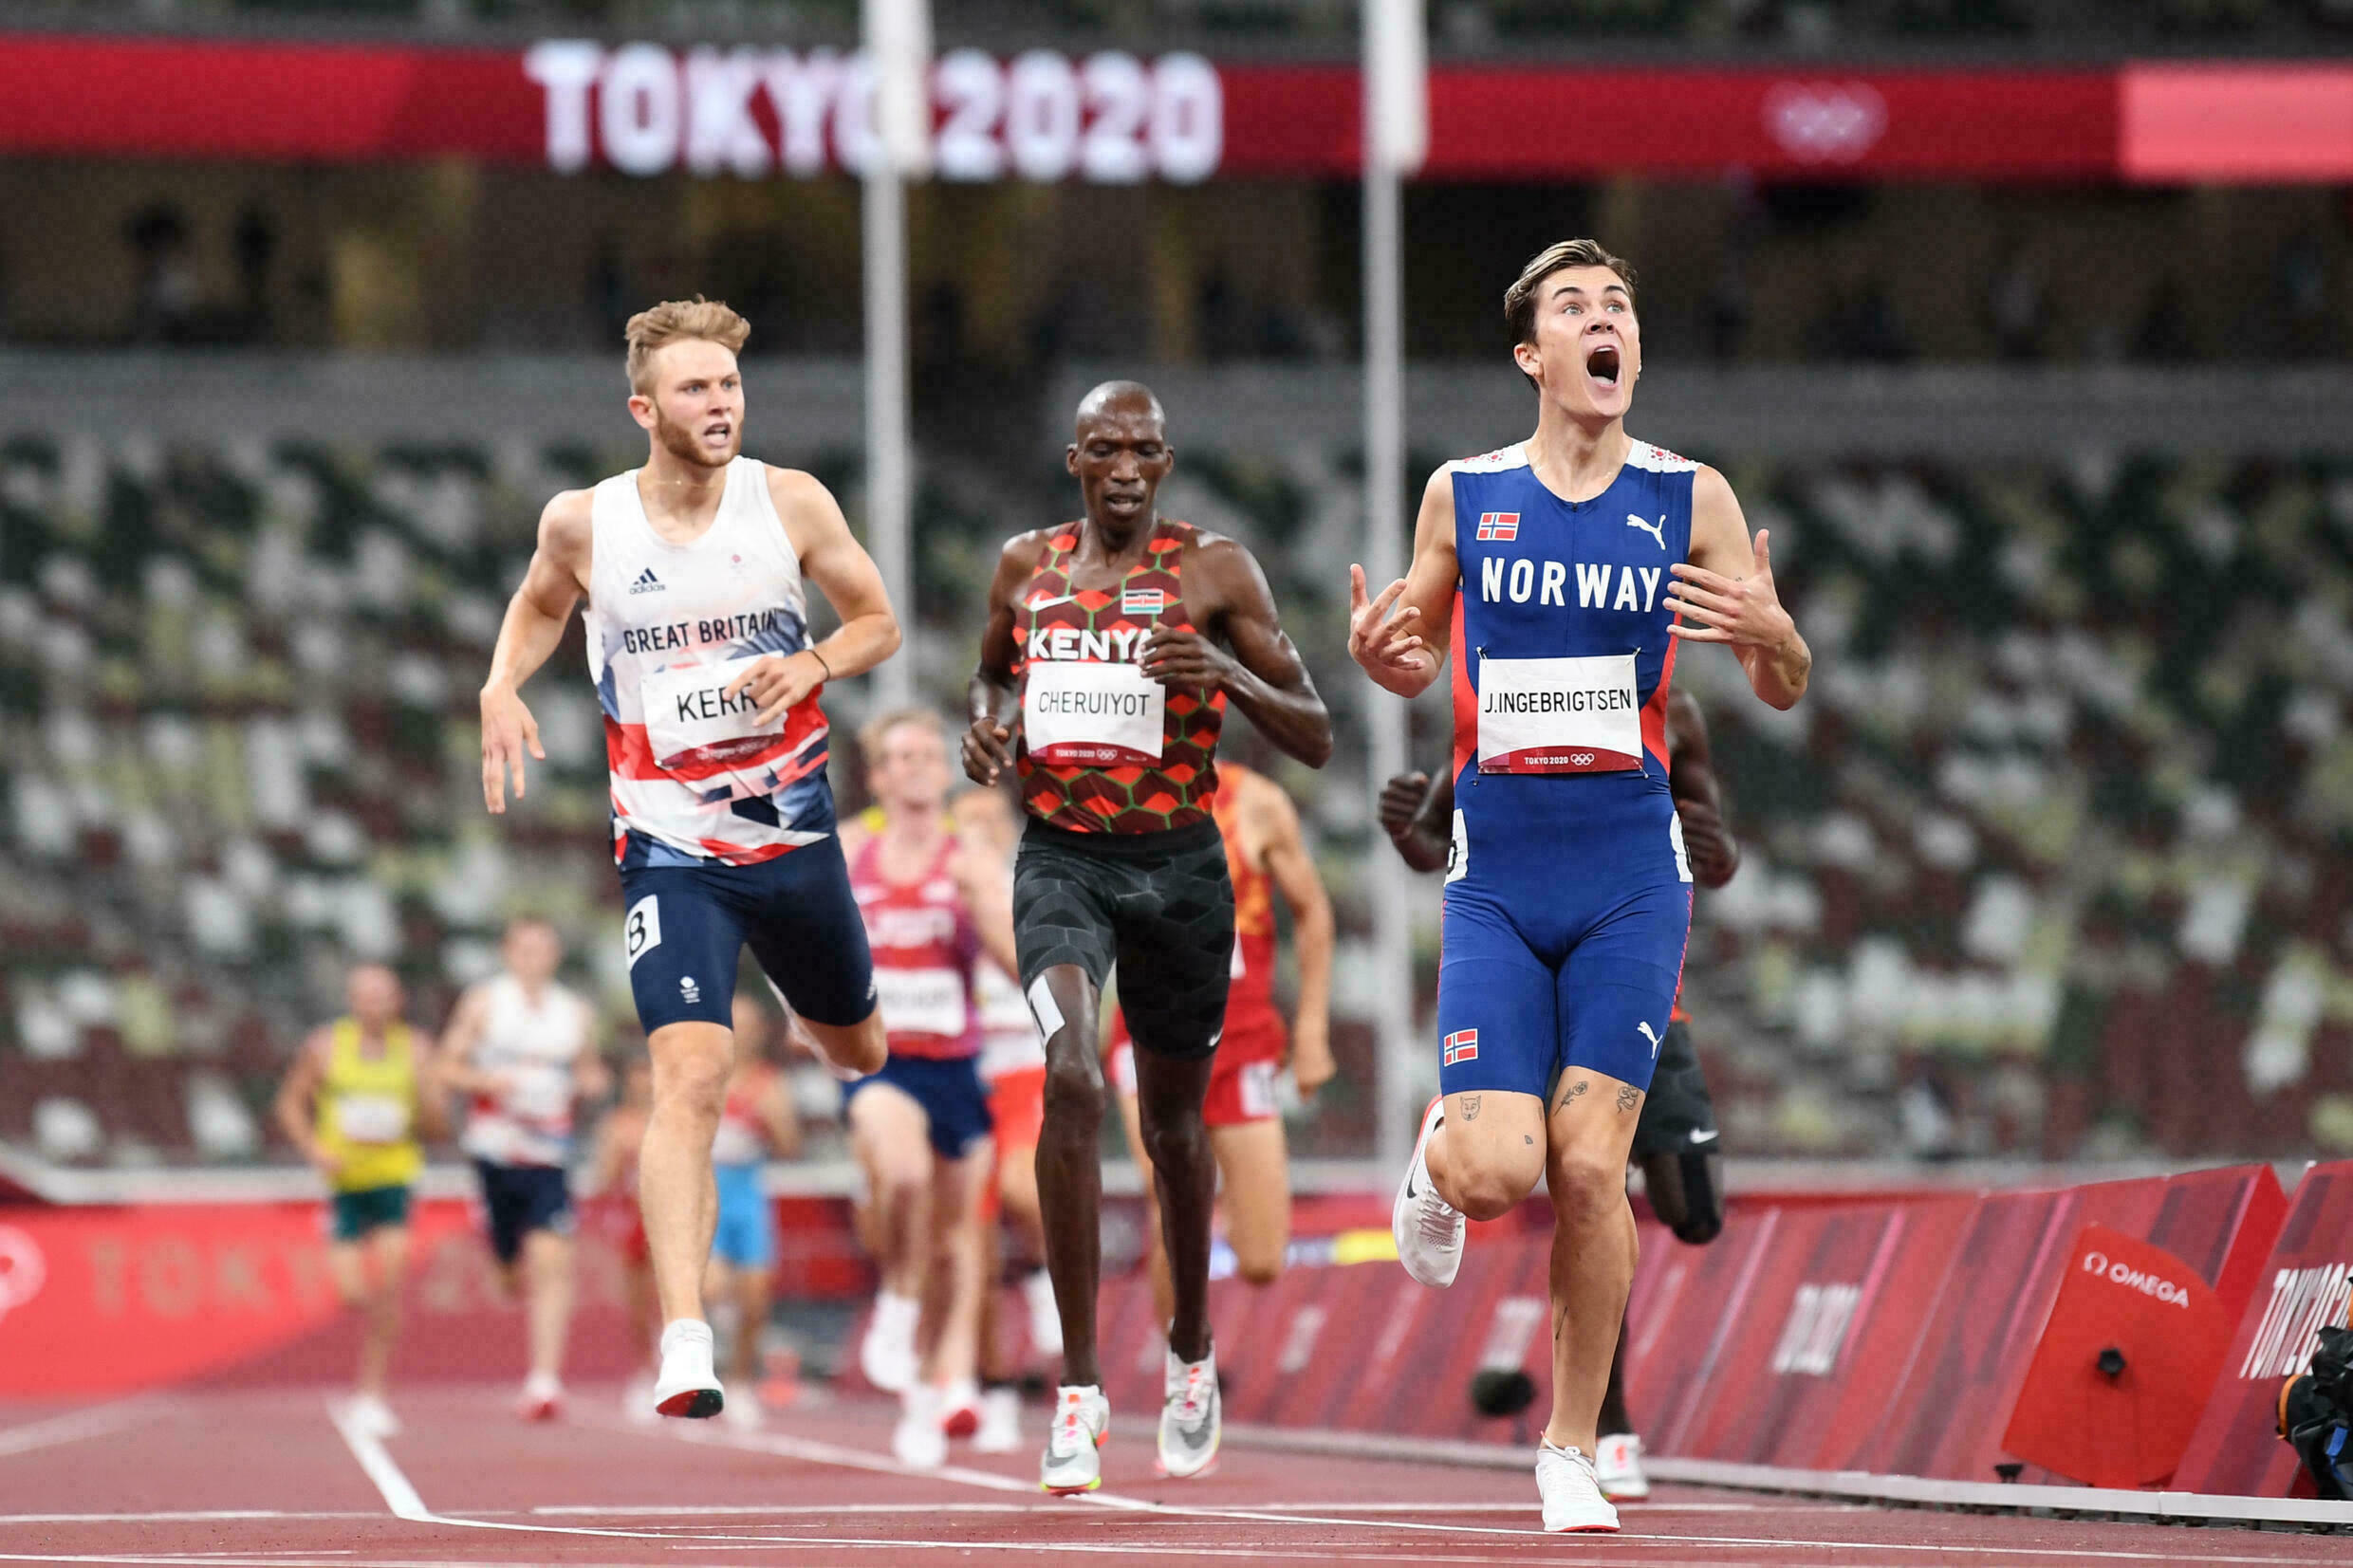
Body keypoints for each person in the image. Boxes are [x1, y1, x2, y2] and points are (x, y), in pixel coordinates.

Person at [1347, 239, 1809, 1532]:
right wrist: (1383, 659)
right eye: (1575, 308)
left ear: (1633, 351)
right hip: (1498, 875)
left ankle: (1570, 1447)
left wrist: (1781, 640)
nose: (1604, 323)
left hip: (1629, 876)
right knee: (1503, 1167)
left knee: (1593, 1167)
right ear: (1532, 357)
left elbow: (1781, 676)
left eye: (1620, 308)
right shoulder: (1465, 494)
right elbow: (1409, 656)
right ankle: (1436, 1170)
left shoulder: (1691, 496)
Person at [478, 296, 898, 1420]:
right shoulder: (585, 522)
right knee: (690, 1078)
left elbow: (876, 623)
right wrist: (499, 685)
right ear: (643, 408)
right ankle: (684, 1337)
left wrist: (812, 665)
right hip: (669, 850)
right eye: (696, 390)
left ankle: (824, 1011)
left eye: (730, 388)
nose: (720, 406)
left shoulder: (789, 501)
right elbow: (535, 607)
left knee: (859, 1050)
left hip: (792, 838)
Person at [963, 380, 1333, 1494]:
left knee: (1175, 1128)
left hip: (1178, 869)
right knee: (1071, 1074)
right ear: (1074, 458)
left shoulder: (1215, 570)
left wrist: (1219, 672)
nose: (1125, 468)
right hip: (1062, 863)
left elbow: (1313, 730)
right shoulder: (1022, 568)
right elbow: (989, 675)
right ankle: (1078, 1391)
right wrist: (985, 730)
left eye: (1145, 451)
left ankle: (1188, 1355)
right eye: (1105, 449)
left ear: (1163, 463)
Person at [1378, 684, 1737, 1501]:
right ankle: (1604, 1428)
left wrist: (1716, 852)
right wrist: (1407, 828)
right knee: (1587, 1178)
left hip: (1638, 986)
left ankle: (1593, 1430)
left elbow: (1718, 851)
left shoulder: (1675, 709)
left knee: (1694, 1208)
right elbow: (1437, 837)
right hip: (1531, 987)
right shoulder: (1506, 689)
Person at [842, 709, 1020, 1467]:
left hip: (956, 1063)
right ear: (879, 775)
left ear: (942, 771)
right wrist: (804, 1015)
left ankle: (943, 1386)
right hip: (881, 1062)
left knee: (962, 1240)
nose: (913, 765)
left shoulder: (969, 856)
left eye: (924, 753)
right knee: (905, 1176)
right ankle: (899, 1300)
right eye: (897, 755)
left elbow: (1017, 965)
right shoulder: (850, 849)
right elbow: (799, 940)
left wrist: (985, 914)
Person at [1107, 754, 1335, 1330]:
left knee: (1261, 1258)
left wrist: (1311, 1030)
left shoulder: (1256, 802)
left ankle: (1226, 1188)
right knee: (1174, 1199)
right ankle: (1186, 1368)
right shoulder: (1108, 794)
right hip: (1149, 1035)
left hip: (1242, 1041)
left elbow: (1311, 912)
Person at [434, 916, 608, 1421]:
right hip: (494, 1150)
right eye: (525, 949)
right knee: (511, 1268)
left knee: (553, 1262)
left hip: (550, 1155)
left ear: (555, 955)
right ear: (509, 953)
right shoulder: (485, 1003)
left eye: (544, 949)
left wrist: (590, 1085)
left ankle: (544, 1381)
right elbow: (445, 1067)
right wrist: (490, 1081)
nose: (535, 958)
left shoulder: (574, 1012)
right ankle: (503, 1256)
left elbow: (590, 1072)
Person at [273, 964, 446, 1437]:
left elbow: (437, 1127)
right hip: (345, 1185)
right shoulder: (325, 1046)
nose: (374, 1005)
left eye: (382, 996)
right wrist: (313, 1149)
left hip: (394, 1180)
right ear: (352, 1001)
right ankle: (370, 1367)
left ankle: (372, 1394)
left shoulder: (416, 1048)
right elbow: (289, 1103)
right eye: (365, 997)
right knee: (353, 1292)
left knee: (390, 1287)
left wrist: (431, 1102)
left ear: (397, 1001)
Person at [948, 784, 1061, 1456]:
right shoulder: (939, 888)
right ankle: (993, 1384)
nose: (978, 832)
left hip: (1026, 1064)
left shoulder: (1038, 877)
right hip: (966, 1070)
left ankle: (1050, 1282)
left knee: (1025, 1186)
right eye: (966, 823)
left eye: (990, 819)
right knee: (975, 1236)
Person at [706, 991, 802, 1428]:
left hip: (747, 1192)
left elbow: (790, 1148)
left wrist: (774, 1120)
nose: (740, 1033)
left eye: (748, 1024)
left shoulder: (770, 1083)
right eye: (733, 1022)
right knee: (714, 1289)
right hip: (708, 1189)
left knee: (757, 1300)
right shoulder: (703, 1074)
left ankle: (741, 1380)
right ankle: (699, 1349)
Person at [587, 1051, 661, 1418]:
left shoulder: (675, 1116)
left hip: (672, 1216)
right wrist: (620, 1156)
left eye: (648, 1073)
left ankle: (679, 1366)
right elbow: (603, 1178)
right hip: (634, 1216)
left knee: (680, 1294)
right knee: (638, 1303)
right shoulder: (618, 1124)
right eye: (636, 1074)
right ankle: (643, 1374)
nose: (643, 1082)